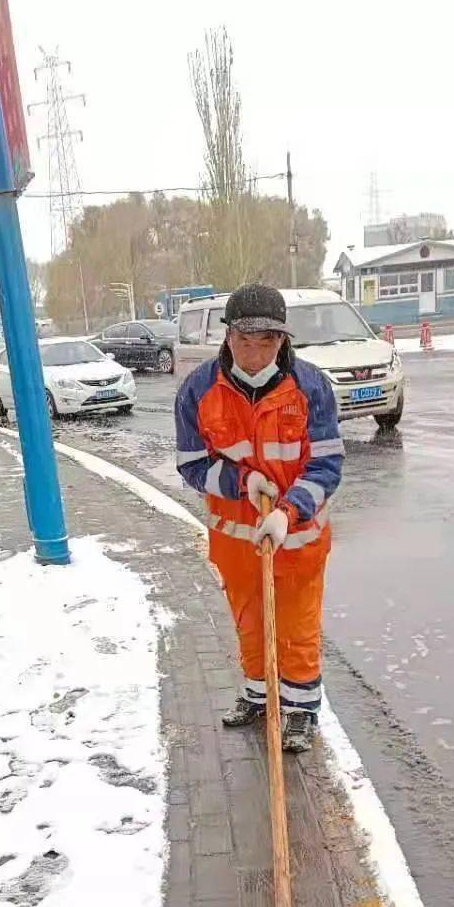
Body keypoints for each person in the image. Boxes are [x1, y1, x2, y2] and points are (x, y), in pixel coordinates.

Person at [174, 283, 344, 753]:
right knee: (249, 620)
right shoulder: (198, 390)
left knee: (296, 624)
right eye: (243, 341)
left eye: (266, 342)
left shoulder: (310, 387)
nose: (253, 353)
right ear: (227, 337)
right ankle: (259, 695)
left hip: (299, 537)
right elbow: (191, 464)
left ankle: (299, 710)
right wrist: (240, 482)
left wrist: (289, 513)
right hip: (234, 540)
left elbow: (327, 464)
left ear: (282, 340)